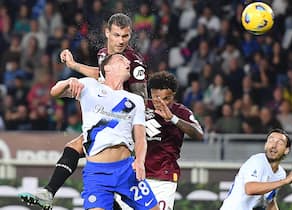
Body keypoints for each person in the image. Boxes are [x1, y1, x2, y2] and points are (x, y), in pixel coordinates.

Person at [18, 13, 146, 210]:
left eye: (125, 36)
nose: (121, 41)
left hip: (124, 120)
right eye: (117, 35)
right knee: (80, 152)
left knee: (80, 147)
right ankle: (49, 192)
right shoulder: (104, 54)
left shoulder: (132, 62)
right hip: (109, 115)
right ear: (107, 33)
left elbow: (141, 100)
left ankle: (49, 191)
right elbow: (101, 73)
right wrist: (73, 68)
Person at [143, 71, 204, 210]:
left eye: (166, 98)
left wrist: (173, 119)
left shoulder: (181, 112)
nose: (161, 103)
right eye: (156, 98)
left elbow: (199, 135)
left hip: (164, 176)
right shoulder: (141, 106)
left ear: (173, 94)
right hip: (138, 174)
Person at [219, 128, 292, 210]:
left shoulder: (281, 174)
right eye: (271, 140)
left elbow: (269, 201)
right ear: (265, 145)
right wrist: (284, 181)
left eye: (280, 143)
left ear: (286, 150)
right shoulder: (257, 160)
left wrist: (283, 181)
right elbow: (250, 189)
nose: (274, 145)